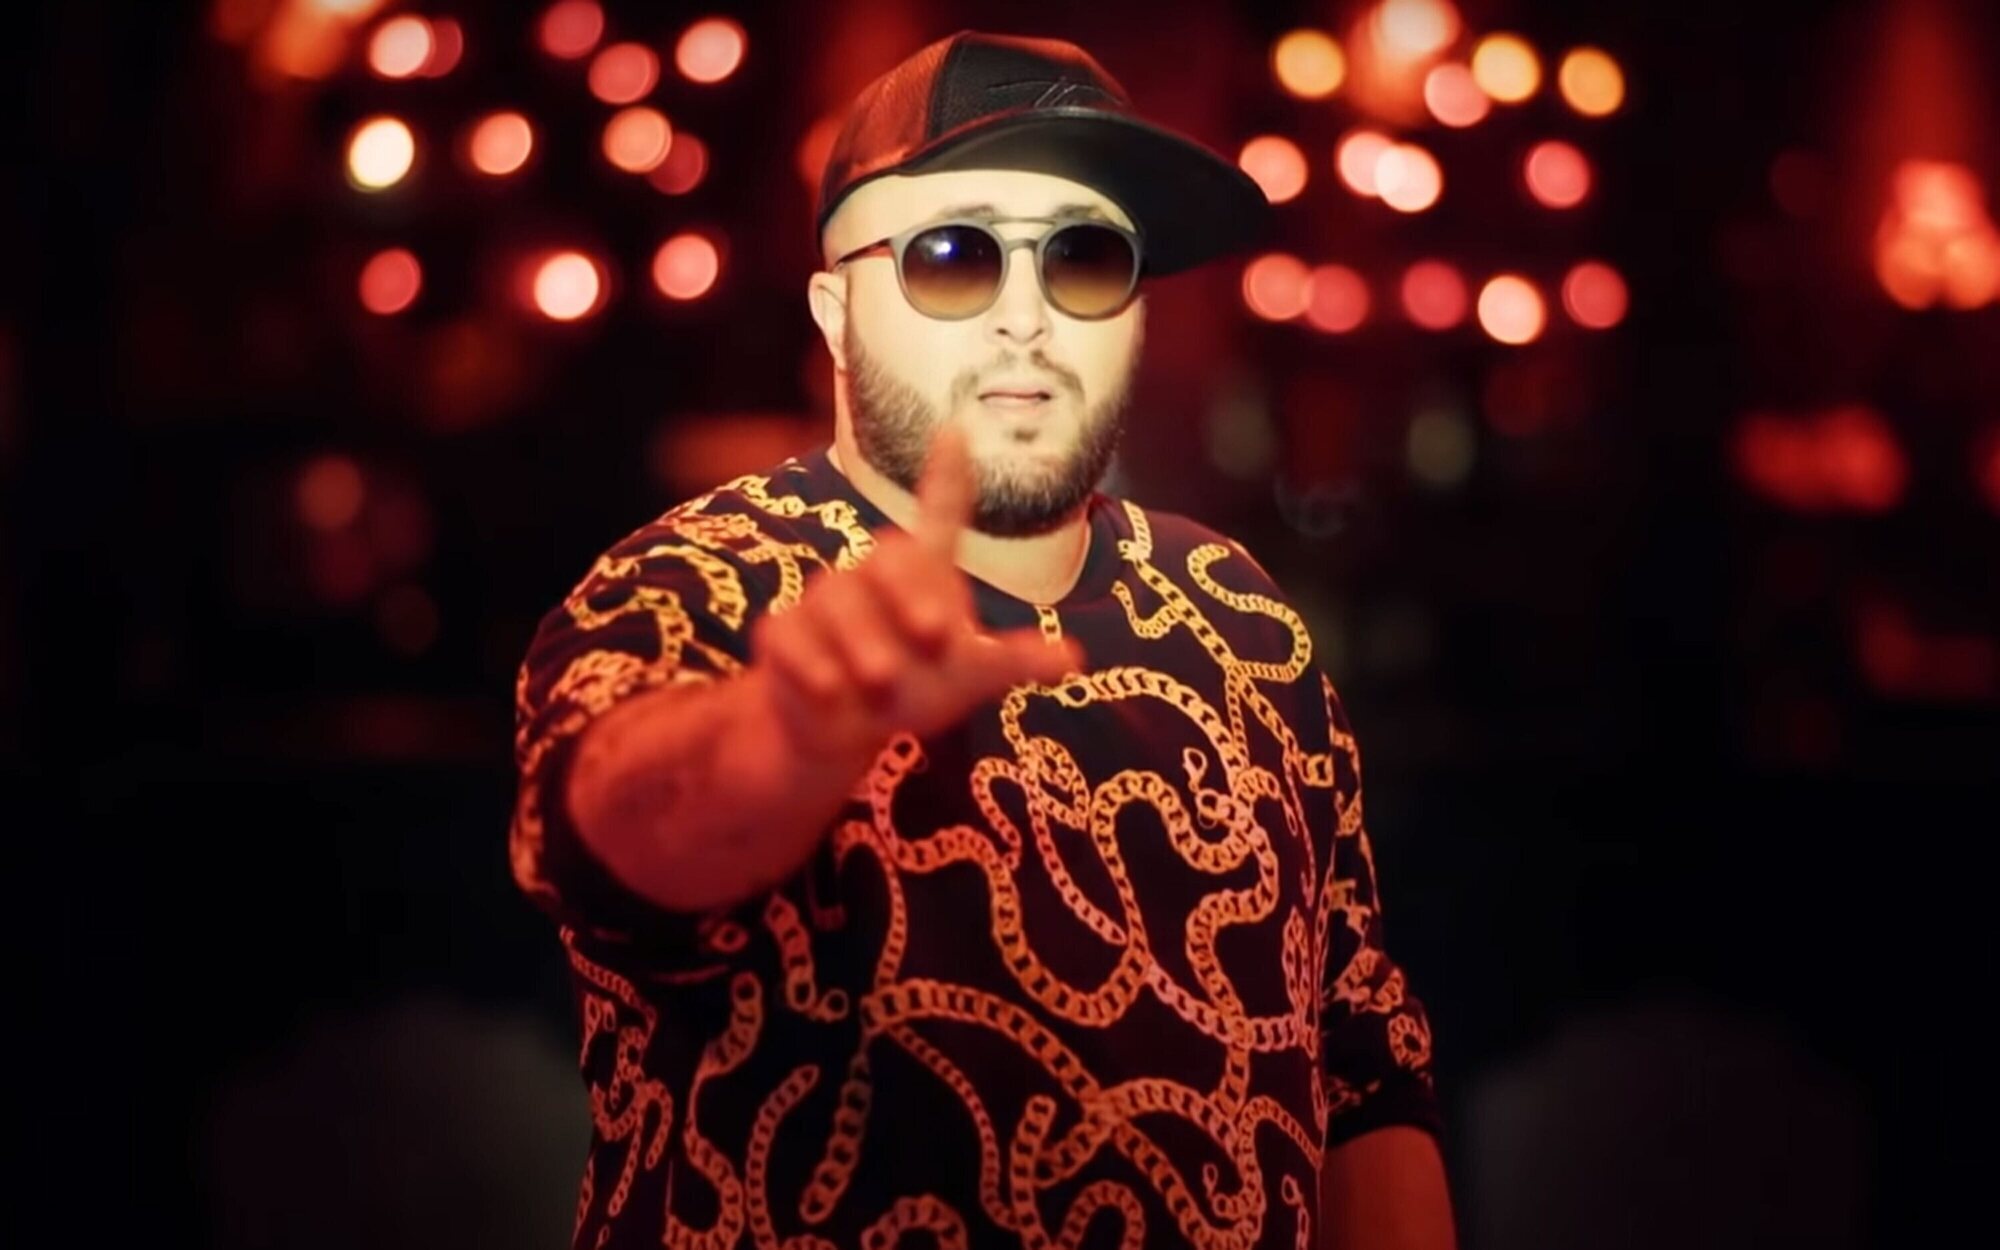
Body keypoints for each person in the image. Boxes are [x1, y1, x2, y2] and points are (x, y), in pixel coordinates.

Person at [510, 29, 1454, 1250]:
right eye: (952, 255)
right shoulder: (698, 579)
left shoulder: (1238, 611)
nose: (1026, 317)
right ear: (834, 312)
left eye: (1083, 255)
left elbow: (1360, 1059)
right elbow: (601, 839)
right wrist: (779, 741)